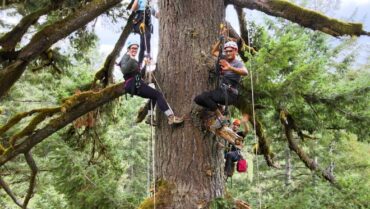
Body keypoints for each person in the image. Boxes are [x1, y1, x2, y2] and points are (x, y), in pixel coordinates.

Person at [119, 41, 183, 125]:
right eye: (132, 48)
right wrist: (131, 58)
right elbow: (124, 70)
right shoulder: (126, 57)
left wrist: (145, 65)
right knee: (158, 95)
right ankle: (171, 117)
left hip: (135, 84)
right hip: (133, 84)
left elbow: (138, 74)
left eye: (136, 48)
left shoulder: (132, 59)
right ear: (128, 49)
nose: (135, 50)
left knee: (153, 96)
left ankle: (150, 117)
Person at [194, 41, 248, 127]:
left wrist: (230, 68)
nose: (228, 53)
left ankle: (221, 117)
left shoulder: (238, 63)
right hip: (221, 91)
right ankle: (219, 111)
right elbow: (213, 52)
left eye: (230, 51)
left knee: (205, 96)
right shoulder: (224, 59)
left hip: (230, 93)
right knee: (198, 99)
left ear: (235, 51)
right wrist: (220, 40)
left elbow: (245, 72)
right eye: (226, 51)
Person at [131, 0, 158, 68]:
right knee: (147, 35)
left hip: (147, 25)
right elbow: (133, 8)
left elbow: (156, 15)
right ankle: (148, 55)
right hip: (139, 22)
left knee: (143, 45)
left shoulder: (150, 4)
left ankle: (139, 65)